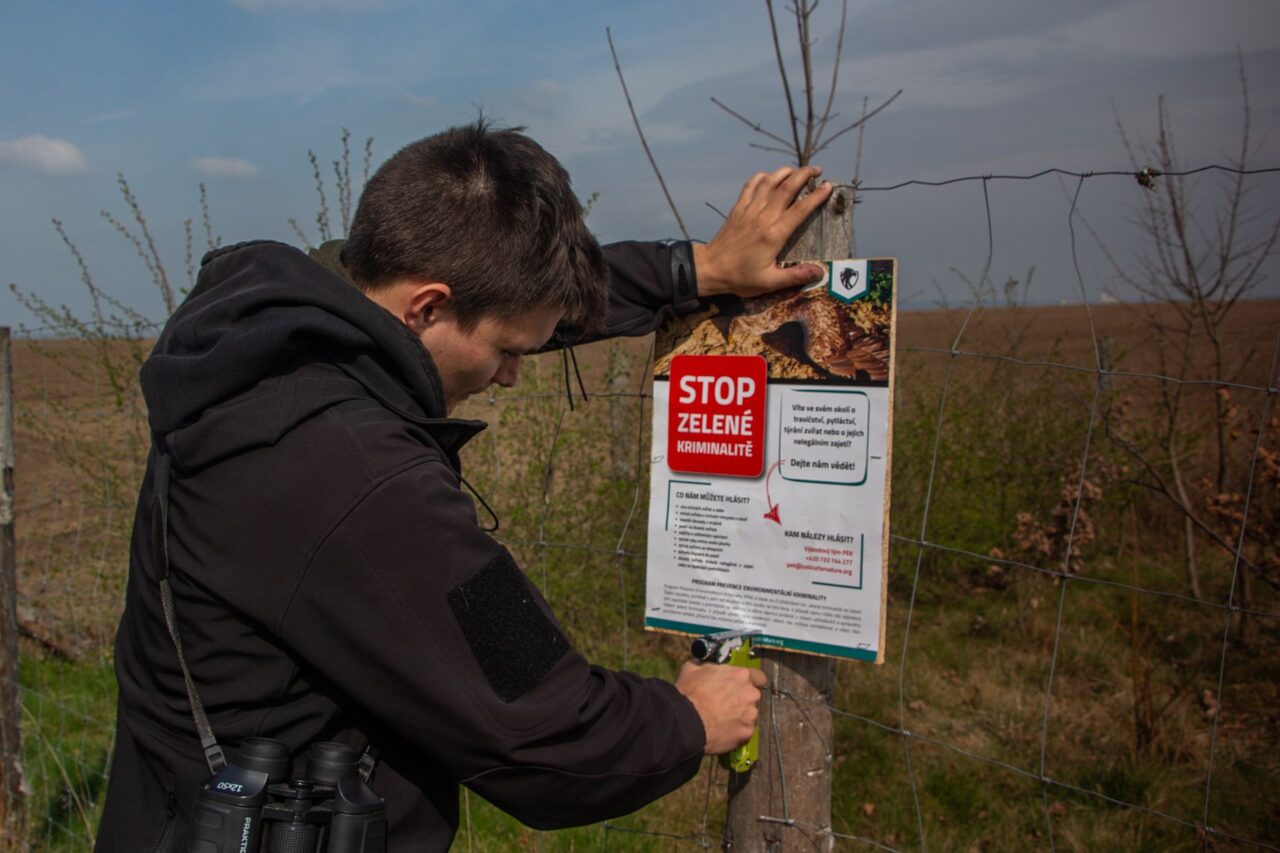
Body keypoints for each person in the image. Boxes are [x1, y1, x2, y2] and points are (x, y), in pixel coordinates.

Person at [95, 120, 831, 851]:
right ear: (427, 305)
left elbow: (504, 297)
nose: (512, 376)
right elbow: (544, 728)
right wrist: (687, 717)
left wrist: (692, 270)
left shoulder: (269, 341)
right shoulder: (359, 480)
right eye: (509, 353)